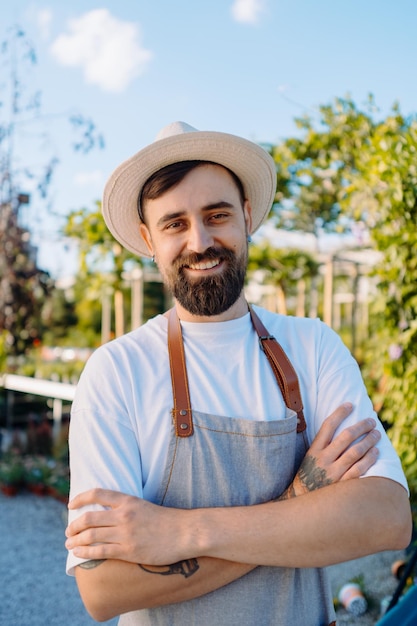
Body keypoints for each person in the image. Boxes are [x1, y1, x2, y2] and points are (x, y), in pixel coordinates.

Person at [65, 121, 411, 625]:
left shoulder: (312, 348)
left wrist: (179, 533)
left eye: (217, 214)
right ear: (147, 239)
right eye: (174, 223)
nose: (200, 240)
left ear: (247, 216)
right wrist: (299, 501)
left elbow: (385, 519)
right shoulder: (117, 372)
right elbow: (104, 588)